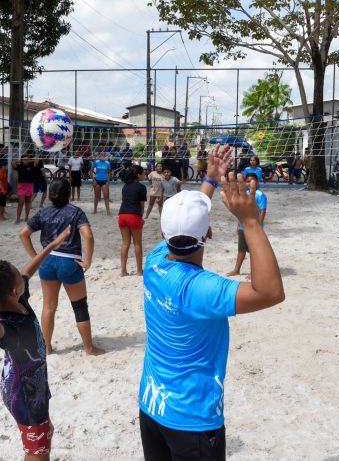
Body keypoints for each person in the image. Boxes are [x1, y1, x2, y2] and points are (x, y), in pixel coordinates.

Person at [139, 145, 285, 460]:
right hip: (190, 419)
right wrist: (251, 222)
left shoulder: (153, 262)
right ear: (209, 232)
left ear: (165, 233)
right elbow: (271, 291)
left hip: (151, 405)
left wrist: (210, 178)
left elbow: (185, 220)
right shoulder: (201, 290)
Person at [0, 226, 72, 461]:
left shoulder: (17, 299)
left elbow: (28, 270)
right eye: (18, 276)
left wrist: (51, 247)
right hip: (24, 393)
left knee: (40, 437)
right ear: (14, 290)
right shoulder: (7, 326)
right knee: (37, 451)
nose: (22, 275)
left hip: (31, 384)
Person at [19, 178, 105, 356]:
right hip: (70, 262)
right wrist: (88, 261)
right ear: (69, 193)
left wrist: (36, 257)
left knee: (48, 307)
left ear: (50, 194)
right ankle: (89, 348)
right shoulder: (75, 212)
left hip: (48, 262)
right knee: (80, 307)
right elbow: (88, 236)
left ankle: (47, 346)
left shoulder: (43, 212)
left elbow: (23, 234)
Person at [227, 172, 268, 276]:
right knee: (241, 249)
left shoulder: (260, 195)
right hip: (243, 226)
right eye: (248, 181)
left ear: (257, 182)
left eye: (252, 181)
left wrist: (258, 226)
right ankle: (237, 269)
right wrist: (238, 224)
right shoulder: (244, 194)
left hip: (254, 227)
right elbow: (241, 211)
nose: (249, 183)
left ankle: (254, 272)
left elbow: (262, 211)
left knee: (254, 251)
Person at [119, 165, 147, 277]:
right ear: (138, 175)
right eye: (143, 173)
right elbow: (141, 206)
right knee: (137, 243)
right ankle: (139, 271)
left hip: (122, 215)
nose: (144, 175)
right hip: (133, 215)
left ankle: (123, 271)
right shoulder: (141, 187)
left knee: (125, 243)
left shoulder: (125, 186)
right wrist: (141, 218)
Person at [14, 156, 36, 224]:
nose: (26, 161)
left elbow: (36, 160)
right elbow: (13, 163)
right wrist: (21, 161)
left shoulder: (31, 165)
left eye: (27, 159)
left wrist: (29, 160)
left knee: (28, 202)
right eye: (24, 159)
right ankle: (18, 218)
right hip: (21, 185)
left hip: (29, 185)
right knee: (20, 202)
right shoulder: (19, 166)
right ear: (22, 160)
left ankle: (26, 217)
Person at [92, 151, 111, 215]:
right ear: (100, 155)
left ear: (105, 156)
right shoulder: (96, 162)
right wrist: (93, 179)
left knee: (106, 196)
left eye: (104, 155)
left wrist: (108, 181)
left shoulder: (107, 163)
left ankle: (108, 211)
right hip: (97, 180)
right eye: (101, 155)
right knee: (96, 196)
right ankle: (95, 210)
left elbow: (109, 173)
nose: (102, 156)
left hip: (104, 181)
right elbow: (91, 170)